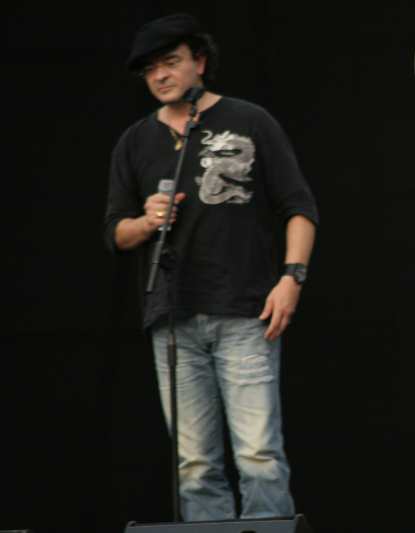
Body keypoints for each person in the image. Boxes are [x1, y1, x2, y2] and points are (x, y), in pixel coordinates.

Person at [104, 13, 318, 521]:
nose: (160, 76)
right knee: (195, 465)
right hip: (172, 317)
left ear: (199, 62)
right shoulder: (135, 141)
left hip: (245, 311)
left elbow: (300, 208)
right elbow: (115, 232)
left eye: (170, 62)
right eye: (150, 69)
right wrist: (145, 222)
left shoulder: (250, 120)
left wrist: (292, 278)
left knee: (259, 456)